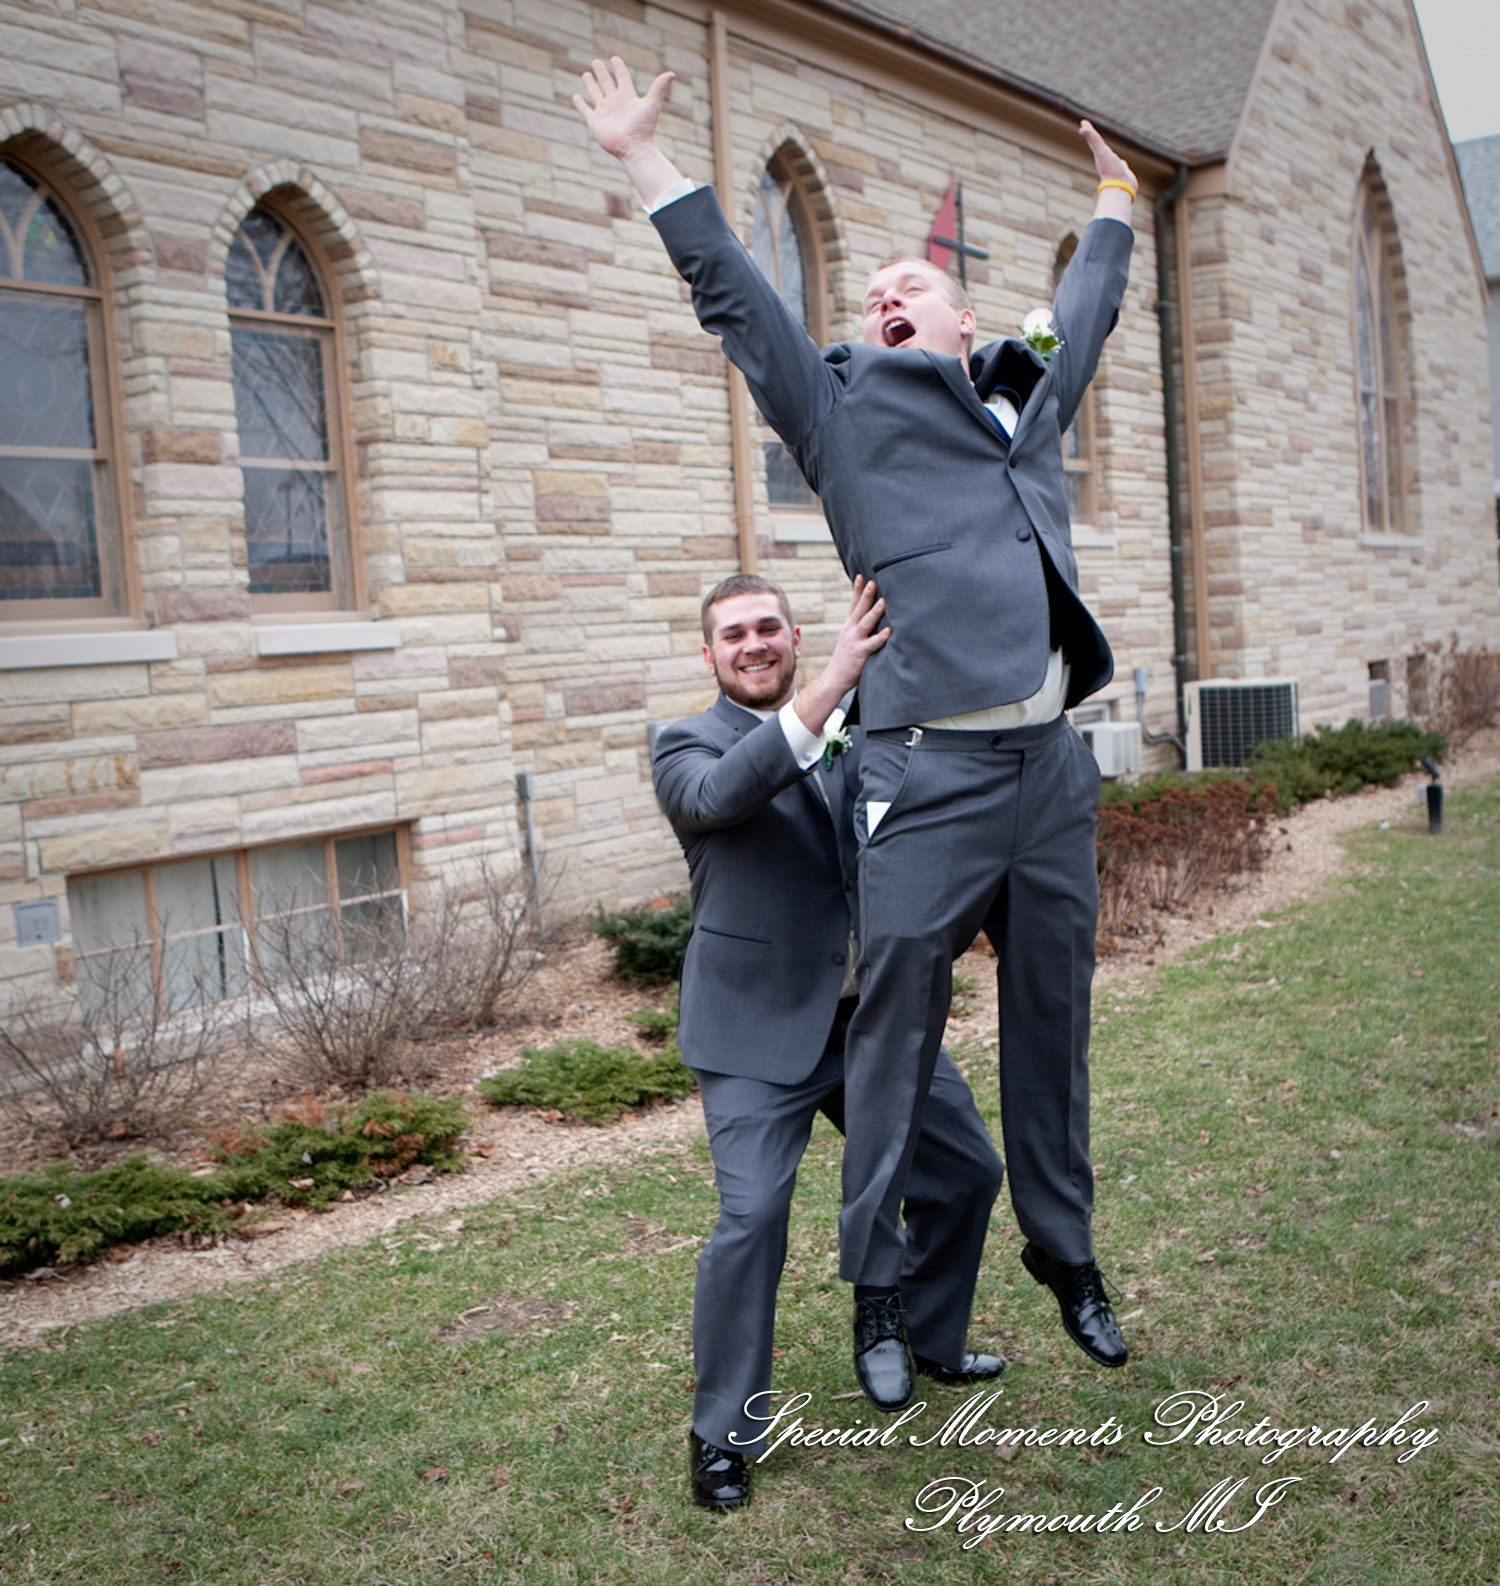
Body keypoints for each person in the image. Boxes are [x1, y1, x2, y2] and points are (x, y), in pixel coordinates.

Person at [575, 56, 1131, 1396]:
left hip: (1050, 765)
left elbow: (1085, 313)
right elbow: (738, 299)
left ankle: (1066, 1248)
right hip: (928, 770)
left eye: (910, 285)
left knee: (1055, 1022)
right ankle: (879, 1285)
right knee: (895, 1024)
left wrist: (1116, 198)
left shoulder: (1029, 391)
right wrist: (646, 162)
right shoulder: (839, 405)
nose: (883, 296)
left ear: (963, 312)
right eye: (870, 292)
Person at [654, 572, 1004, 1510]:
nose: (753, 642)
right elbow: (728, 793)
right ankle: (722, 1433)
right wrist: (834, 687)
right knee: (753, 1219)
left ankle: (915, 1331)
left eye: (768, 626)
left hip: (873, 1023)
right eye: (734, 634)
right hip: (754, 1032)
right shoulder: (685, 745)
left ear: (796, 635)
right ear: (710, 654)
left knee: (965, 1169)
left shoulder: (867, 726)